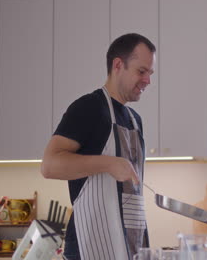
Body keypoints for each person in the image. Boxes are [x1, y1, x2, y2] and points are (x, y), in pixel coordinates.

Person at [41, 33, 156, 260]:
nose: (148, 81)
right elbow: (49, 165)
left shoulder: (134, 119)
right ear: (117, 65)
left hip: (129, 244)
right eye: (141, 72)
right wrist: (109, 163)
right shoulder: (89, 108)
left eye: (150, 74)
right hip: (89, 245)